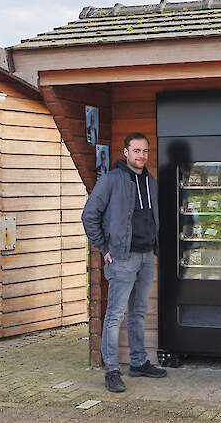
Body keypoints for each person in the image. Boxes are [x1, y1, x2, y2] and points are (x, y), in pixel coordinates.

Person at [82, 132, 167, 393]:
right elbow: (89, 215)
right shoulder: (112, 180)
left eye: (145, 151)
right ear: (126, 152)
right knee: (115, 315)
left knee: (139, 312)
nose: (141, 155)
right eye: (136, 150)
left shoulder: (150, 181)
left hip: (146, 256)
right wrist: (104, 248)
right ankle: (111, 370)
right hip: (122, 258)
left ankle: (138, 362)